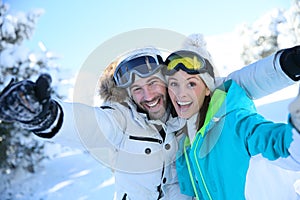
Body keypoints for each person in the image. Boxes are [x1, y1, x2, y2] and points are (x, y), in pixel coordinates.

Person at [0, 38, 300, 199]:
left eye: (154, 83)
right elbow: (90, 126)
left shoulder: (190, 113)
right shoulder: (122, 120)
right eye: (137, 89)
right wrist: (49, 116)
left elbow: (234, 84)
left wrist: (287, 63)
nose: (148, 95)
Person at [163, 48, 300, 200]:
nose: (180, 93)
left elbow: (289, 149)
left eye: (191, 84)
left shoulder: (237, 124)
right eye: (174, 84)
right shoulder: (186, 143)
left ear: (208, 88)